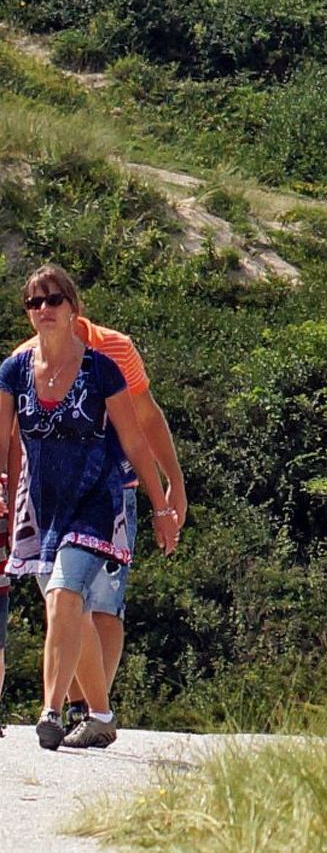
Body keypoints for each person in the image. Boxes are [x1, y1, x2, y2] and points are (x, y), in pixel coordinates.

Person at [0, 265, 178, 750]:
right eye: (35, 303)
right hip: (40, 505)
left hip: (98, 498)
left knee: (69, 595)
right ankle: (99, 714)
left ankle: (50, 711)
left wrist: (163, 502)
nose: (44, 310)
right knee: (66, 606)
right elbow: (5, 444)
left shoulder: (104, 365)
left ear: (74, 306)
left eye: (54, 300)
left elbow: (138, 439)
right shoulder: (15, 369)